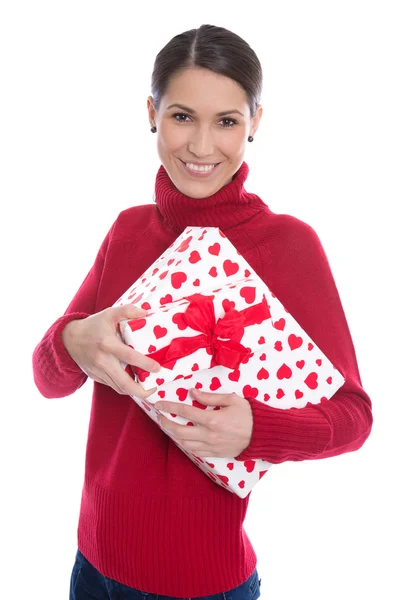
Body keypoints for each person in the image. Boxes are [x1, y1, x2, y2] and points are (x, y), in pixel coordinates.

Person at [32, 23, 373, 600]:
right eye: (182, 116)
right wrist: (71, 342)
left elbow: (353, 417)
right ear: (151, 113)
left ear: (255, 123)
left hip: (203, 585)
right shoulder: (128, 229)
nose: (200, 146)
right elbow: (47, 378)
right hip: (91, 565)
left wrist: (256, 431)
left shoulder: (288, 245)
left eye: (227, 121)